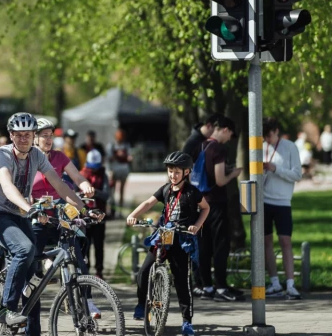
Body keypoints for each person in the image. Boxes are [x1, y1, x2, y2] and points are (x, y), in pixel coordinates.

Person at [0, 112, 89, 329]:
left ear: (32, 136)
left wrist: (82, 208)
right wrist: (29, 207)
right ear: (11, 135)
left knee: (33, 279)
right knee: (24, 249)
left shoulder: (37, 156)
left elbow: (59, 184)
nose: (23, 139)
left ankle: (33, 331)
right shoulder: (2, 156)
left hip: (20, 216)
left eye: (27, 134)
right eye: (18, 135)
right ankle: (6, 309)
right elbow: (7, 187)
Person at [128, 151, 209, 336]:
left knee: (182, 282)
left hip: (181, 239)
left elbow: (206, 208)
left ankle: (187, 321)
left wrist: (196, 225)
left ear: (186, 172)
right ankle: (142, 304)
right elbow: (149, 203)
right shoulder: (165, 189)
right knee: (144, 272)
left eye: (177, 172)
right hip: (163, 235)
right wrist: (133, 215)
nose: (173, 175)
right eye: (170, 171)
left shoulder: (192, 192)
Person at [31, 118, 97, 316]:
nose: (48, 139)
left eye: (51, 136)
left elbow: (77, 177)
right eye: (44, 136)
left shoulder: (59, 157)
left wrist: (86, 186)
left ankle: (87, 301)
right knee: (30, 259)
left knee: (77, 254)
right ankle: (26, 302)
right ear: (35, 138)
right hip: (37, 214)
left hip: (60, 213)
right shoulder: (29, 159)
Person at [183, 115, 242, 301]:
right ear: (225, 129)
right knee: (220, 244)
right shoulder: (218, 148)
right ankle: (222, 287)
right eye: (230, 135)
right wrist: (233, 173)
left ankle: (206, 286)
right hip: (215, 203)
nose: (229, 139)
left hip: (198, 203)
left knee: (204, 246)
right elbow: (220, 179)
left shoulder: (198, 145)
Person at [260, 118, 303, 300]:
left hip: (283, 201)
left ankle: (291, 284)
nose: (267, 139)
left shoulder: (290, 147)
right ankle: (275, 282)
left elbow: (297, 174)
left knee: (285, 241)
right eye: (265, 136)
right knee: (266, 242)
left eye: (269, 135)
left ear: (276, 131)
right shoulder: (261, 147)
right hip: (264, 200)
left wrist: (276, 168)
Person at [80, 150, 112, 278]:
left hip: (99, 217)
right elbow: (74, 193)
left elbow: (106, 194)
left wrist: (94, 192)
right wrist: (83, 194)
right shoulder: (81, 175)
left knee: (99, 245)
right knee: (85, 245)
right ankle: (85, 270)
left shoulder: (103, 175)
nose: (93, 170)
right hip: (85, 217)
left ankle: (99, 270)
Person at [107, 129, 133, 210]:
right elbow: (109, 158)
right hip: (114, 169)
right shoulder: (111, 145)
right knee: (113, 189)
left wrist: (125, 156)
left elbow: (130, 157)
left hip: (124, 169)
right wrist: (119, 155)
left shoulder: (126, 145)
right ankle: (113, 208)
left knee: (122, 189)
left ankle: (121, 207)